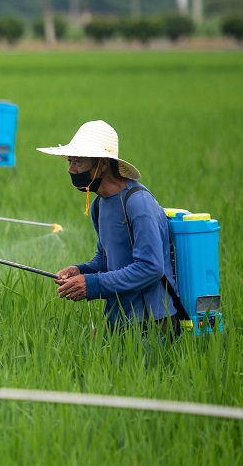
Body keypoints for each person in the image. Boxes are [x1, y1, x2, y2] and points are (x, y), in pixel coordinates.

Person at [36, 120, 183, 333]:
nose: (70, 169)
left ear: (103, 163)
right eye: (70, 161)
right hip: (117, 319)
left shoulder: (138, 203)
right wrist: (80, 271)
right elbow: (106, 260)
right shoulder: (99, 206)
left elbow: (150, 267)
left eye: (78, 161)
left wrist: (92, 285)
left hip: (151, 322)